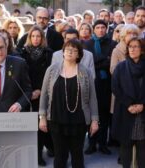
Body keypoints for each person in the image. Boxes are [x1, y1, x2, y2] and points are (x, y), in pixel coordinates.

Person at [39, 39, 99, 168]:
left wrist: (95, 120)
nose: (70, 52)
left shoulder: (86, 72)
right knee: (60, 155)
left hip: (79, 121)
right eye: (67, 49)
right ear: (63, 52)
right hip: (56, 119)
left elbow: (93, 98)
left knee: (77, 155)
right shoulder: (52, 70)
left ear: (79, 54)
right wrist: (42, 117)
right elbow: (44, 95)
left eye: (74, 50)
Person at [19, 25, 53, 166]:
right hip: (27, 93)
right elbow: (21, 74)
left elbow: (49, 73)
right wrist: (30, 91)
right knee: (30, 125)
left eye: (38, 36)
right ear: (29, 37)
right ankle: (31, 153)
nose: (36, 39)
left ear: (42, 38)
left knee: (42, 124)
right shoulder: (22, 53)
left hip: (43, 92)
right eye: (33, 36)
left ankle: (41, 154)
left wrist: (40, 90)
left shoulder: (48, 53)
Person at [84, 19, 117, 155]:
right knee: (92, 114)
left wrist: (98, 61)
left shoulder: (112, 43)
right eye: (97, 27)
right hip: (92, 83)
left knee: (104, 115)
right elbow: (87, 63)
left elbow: (110, 64)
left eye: (103, 27)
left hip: (106, 84)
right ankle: (91, 143)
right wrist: (105, 59)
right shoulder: (87, 44)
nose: (100, 30)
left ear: (106, 28)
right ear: (94, 29)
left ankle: (102, 144)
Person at [112, 37, 145, 168]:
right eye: (130, 46)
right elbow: (115, 88)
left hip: (143, 113)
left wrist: (143, 105)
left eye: (136, 46)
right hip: (125, 111)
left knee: (143, 149)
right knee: (125, 148)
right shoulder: (121, 67)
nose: (132, 49)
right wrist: (129, 105)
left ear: (142, 49)